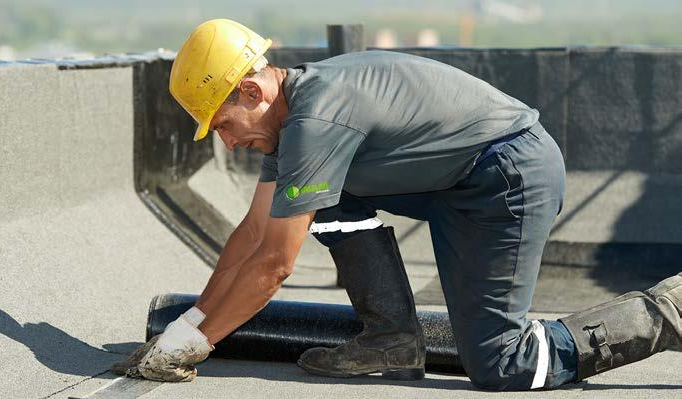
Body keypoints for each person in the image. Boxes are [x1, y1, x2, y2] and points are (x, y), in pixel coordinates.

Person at [113, 19, 681, 390]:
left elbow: (273, 266)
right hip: (457, 182)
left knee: (503, 364)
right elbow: (252, 236)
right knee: (312, 199)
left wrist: (195, 345)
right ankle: (392, 336)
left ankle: (668, 310)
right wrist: (189, 322)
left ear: (252, 91)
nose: (227, 142)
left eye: (224, 125)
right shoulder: (290, 128)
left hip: (509, 178)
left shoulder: (317, 119)